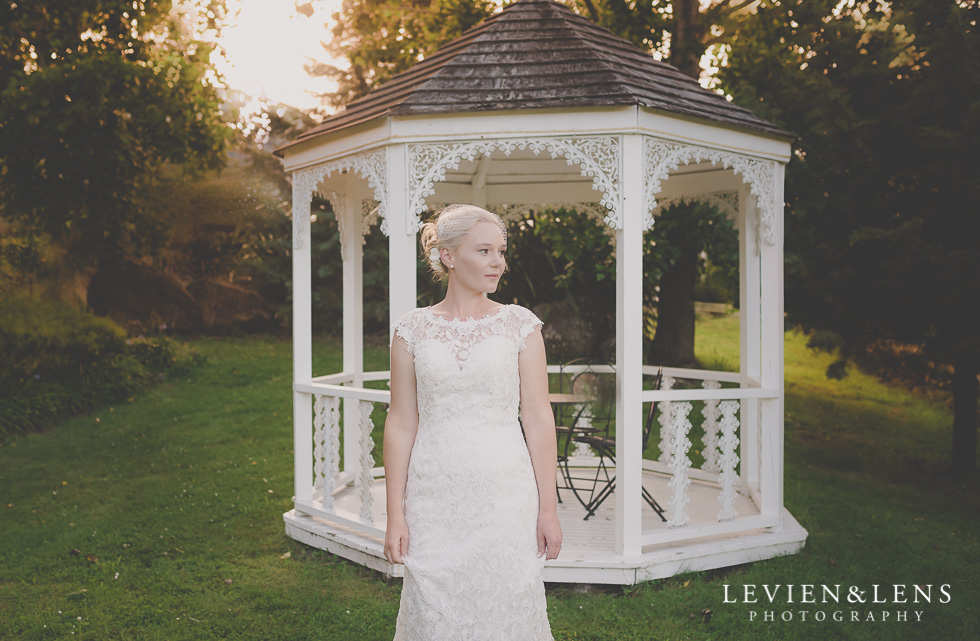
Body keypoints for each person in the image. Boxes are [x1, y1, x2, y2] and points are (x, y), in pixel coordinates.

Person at [383, 203, 562, 640]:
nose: (498, 262)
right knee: (434, 611)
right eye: (484, 251)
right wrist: (394, 515)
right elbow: (401, 423)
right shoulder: (412, 330)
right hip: (432, 498)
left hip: (505, 496)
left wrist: (549, 509)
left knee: (507, 609)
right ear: (448, 256)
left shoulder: (520, 325)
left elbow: (538, 418)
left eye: (500, 251)